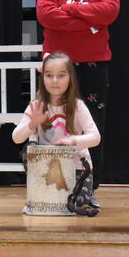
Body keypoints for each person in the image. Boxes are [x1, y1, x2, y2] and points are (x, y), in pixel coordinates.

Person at [36, 0, 118, 189]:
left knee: (92, 123)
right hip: (58, 68)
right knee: (55, 120)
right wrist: (90, 22)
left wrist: (71, 9)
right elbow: (46, 15)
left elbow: (110, 11)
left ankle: (89, 184)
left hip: (94, 64)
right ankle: (53, 184)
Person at [12, 51, 100, 214]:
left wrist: (73, 141)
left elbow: (95, 137)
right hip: (48, 170)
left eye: (61, 75)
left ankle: (75, 198)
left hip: (77, 169)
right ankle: (41, 195)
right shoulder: (37, 105)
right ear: (42, 78)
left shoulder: (78, 106)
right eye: (49, 75)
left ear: (70, 78)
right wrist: (32, 123)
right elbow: (16, 138)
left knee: (72, 205)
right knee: (28, 147)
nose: (54, 81)